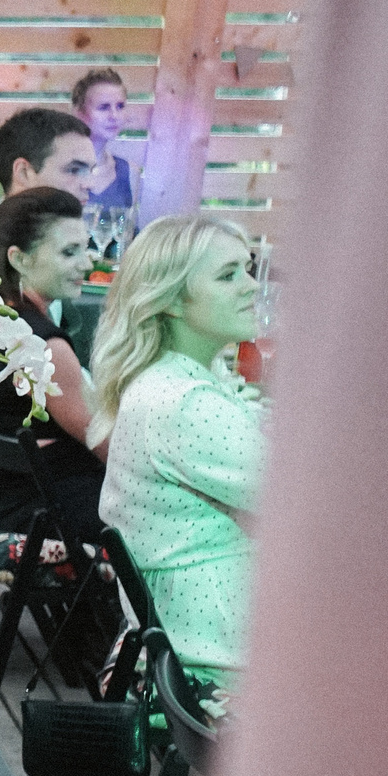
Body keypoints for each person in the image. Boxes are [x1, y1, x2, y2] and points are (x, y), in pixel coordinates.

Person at [92, 213, 264, 684]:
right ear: (169, 300)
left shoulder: (171, 381)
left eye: (248, 269)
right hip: (221, 661)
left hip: (192, 638)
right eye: (228, 275)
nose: (251, 286)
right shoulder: (186, 404)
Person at [0, 186, 105, 542]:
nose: (87, 263)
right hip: (59, 516)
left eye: (85, 249)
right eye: (70, 252)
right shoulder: (44, 347)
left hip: (17, 502)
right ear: (20, 260)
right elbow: (108, 444)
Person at [0, 107, 96, 287]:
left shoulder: (48, 251)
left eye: (91, 171)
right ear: (23, 173)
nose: (90, 184)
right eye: (74, 170)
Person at [70, 68, 140, 213]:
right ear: (78, 112)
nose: (114, 115)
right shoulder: (57, 169)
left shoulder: (129, 172)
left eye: (120, 106)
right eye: (103, 107)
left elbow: (128, 231)